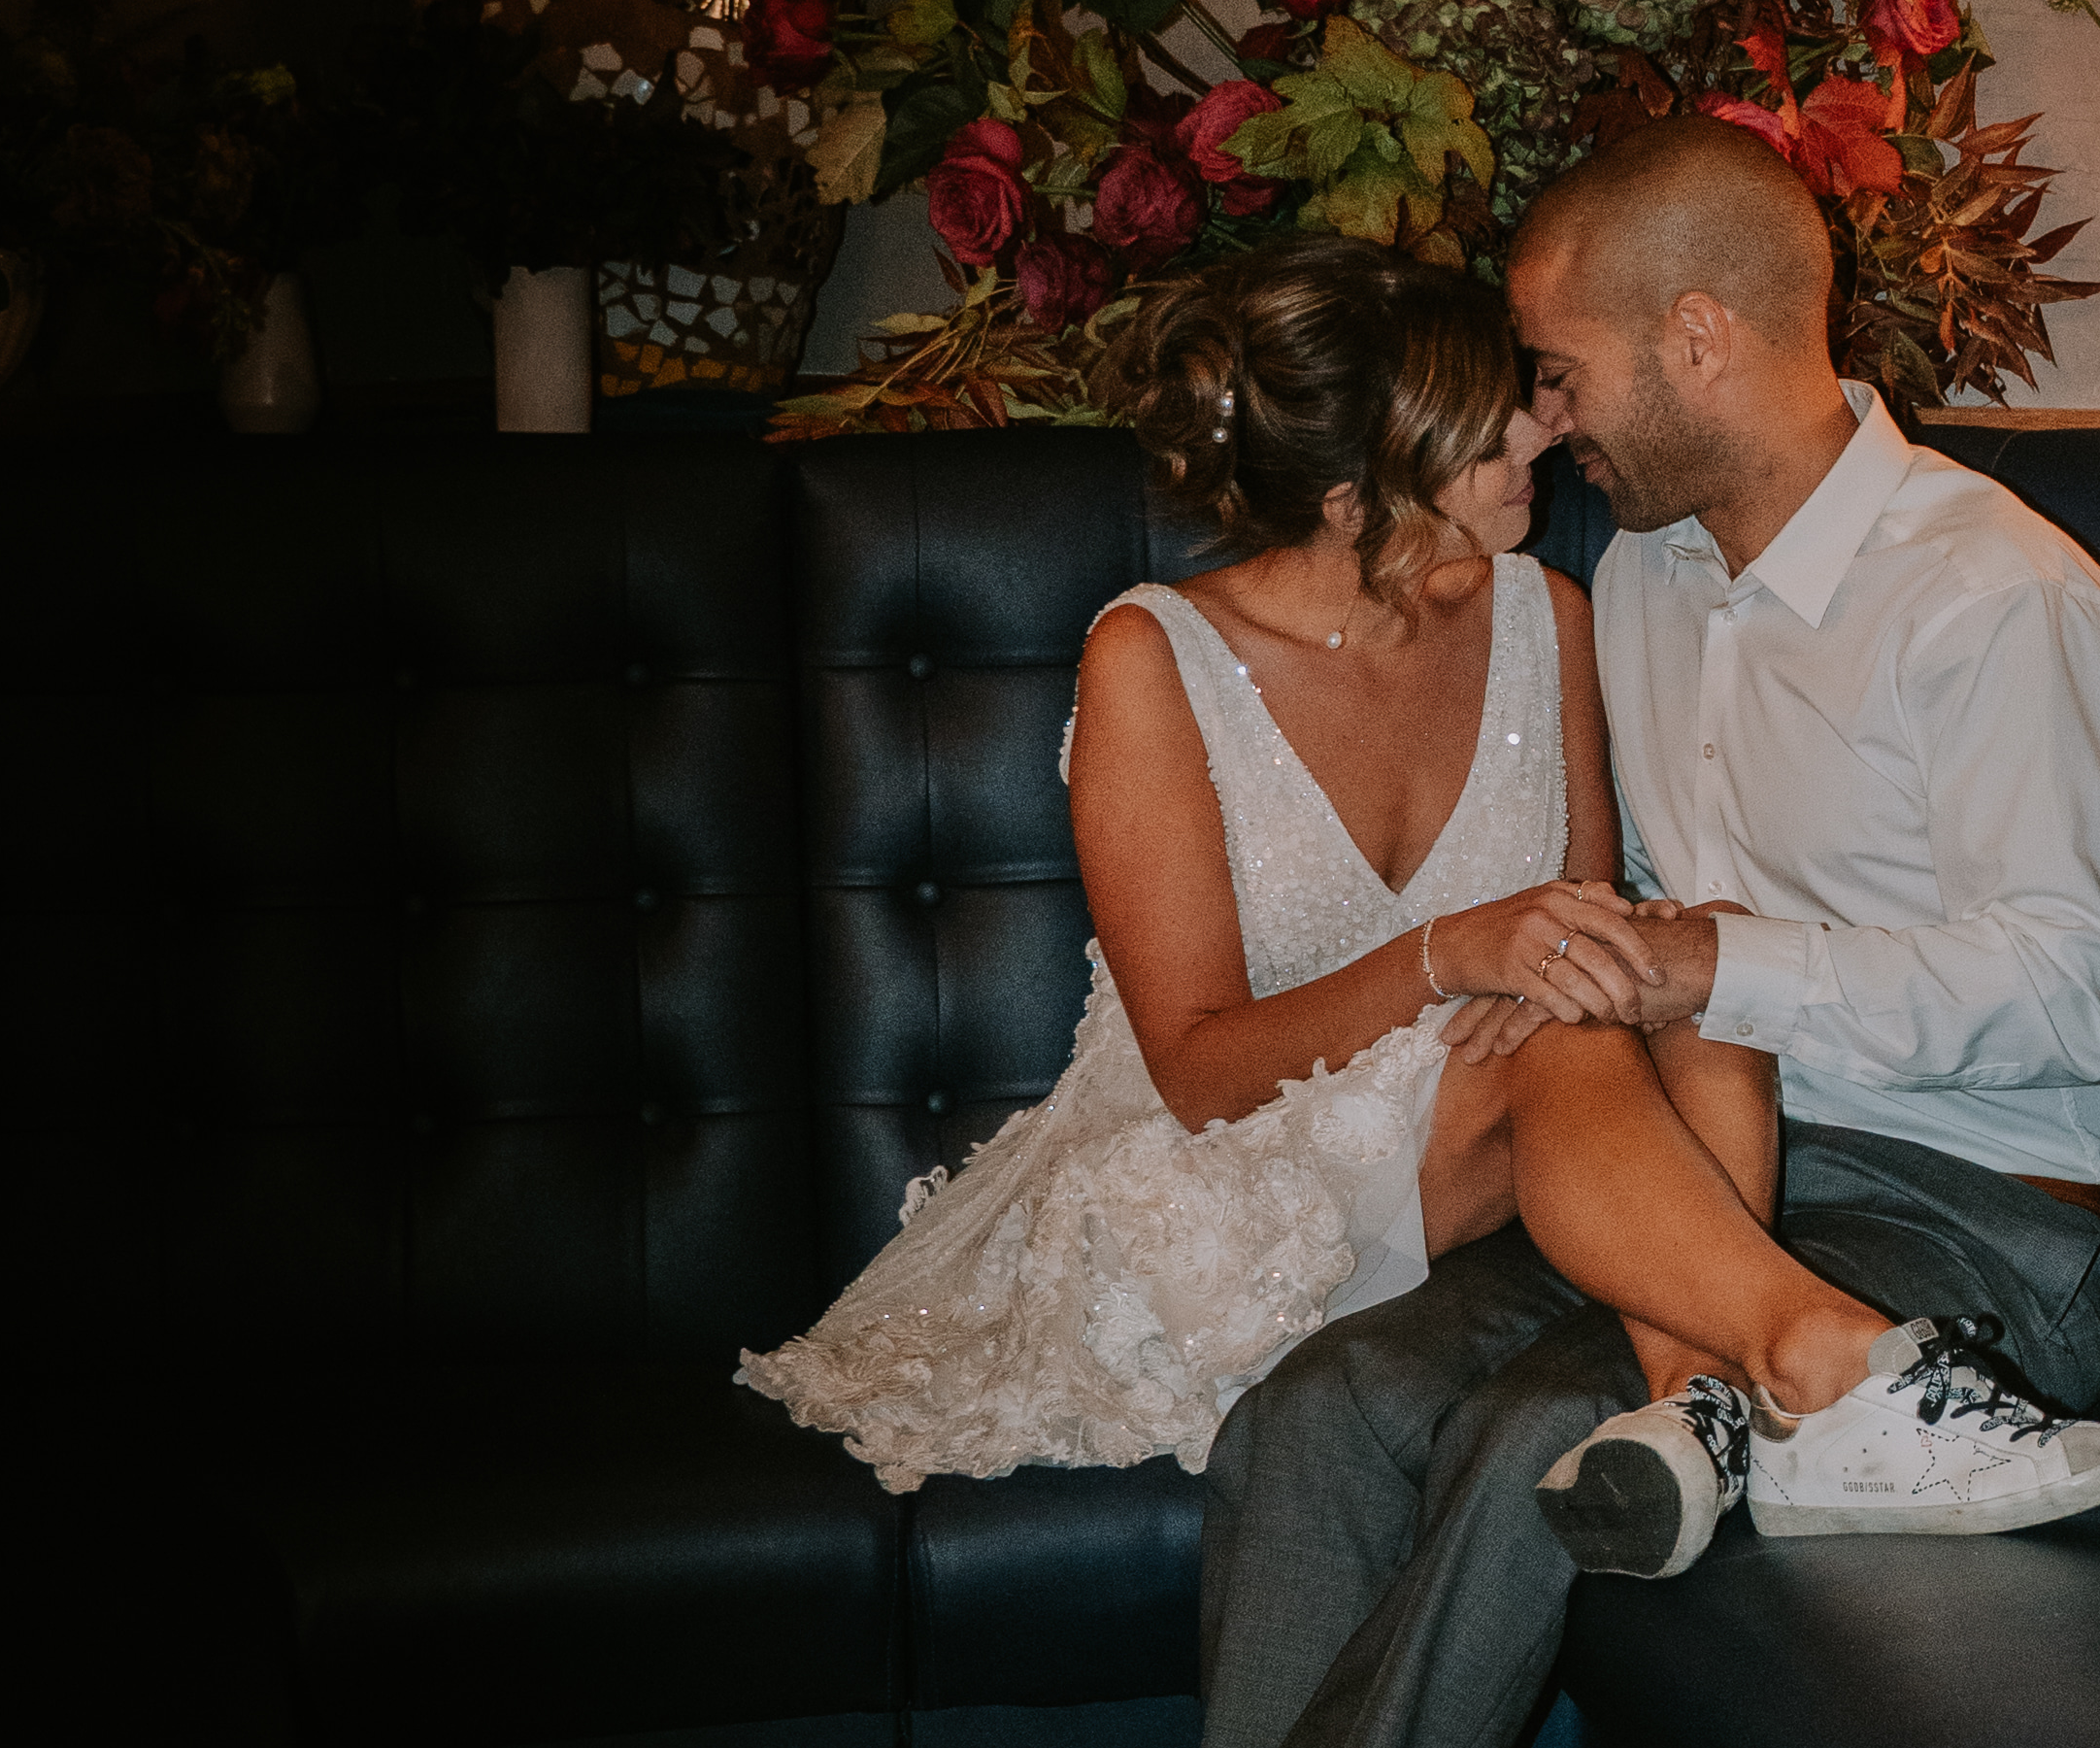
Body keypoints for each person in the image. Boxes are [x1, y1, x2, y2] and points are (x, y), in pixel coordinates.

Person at [803, 111, 2100, 1748]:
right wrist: (1632, 1000)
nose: (1537, 409)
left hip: (1961, 1213)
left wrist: (1702, 962)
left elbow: (2070, 992)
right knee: (1321, 1413)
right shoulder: (1646, 581)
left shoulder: (1993, 597)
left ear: (1696, 338)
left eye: (1556, 362)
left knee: (1538, 1443)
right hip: (1679, 1163)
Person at [739, 247, 1788, 1491]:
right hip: (1222, 1179)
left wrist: (1582, 961)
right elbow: (1194, 1071)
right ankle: (1829, 1364)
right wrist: (1451, 954)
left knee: (1698, 972)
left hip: (1489, 1130)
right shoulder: (1152, 657)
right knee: (1583, 1030)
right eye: (1490, 413)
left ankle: (1699, 1419)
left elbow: (1579, 939)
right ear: (1357, 493)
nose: (1543, 424)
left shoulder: (1541, 613)